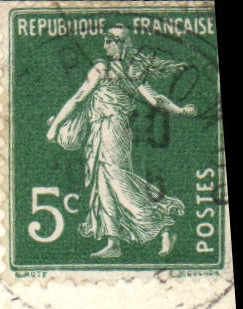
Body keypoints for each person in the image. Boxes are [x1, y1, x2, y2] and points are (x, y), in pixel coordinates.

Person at [46, 26, 198, 258]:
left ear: (122, 43)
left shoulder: (125, 72)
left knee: (119, 182)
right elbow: (78, 99)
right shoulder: (103, 69)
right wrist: (56, 125)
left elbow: (155, 99)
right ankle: (113, 242)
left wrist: (180, 111)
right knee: (103, 185)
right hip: (98, 131)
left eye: (109, 41)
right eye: (105, 40)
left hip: (115, 130)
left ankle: (164, 226)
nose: (105, 46)